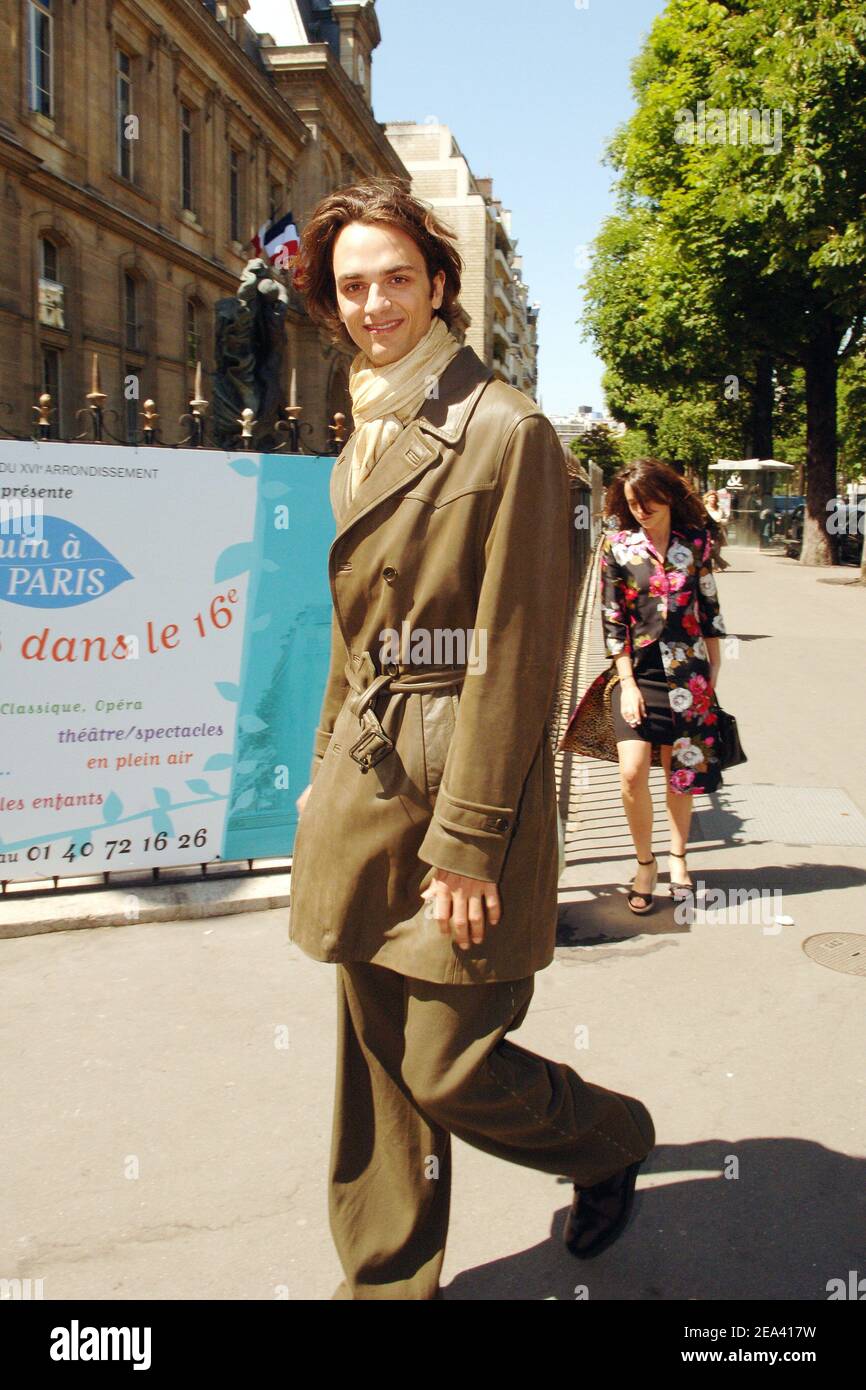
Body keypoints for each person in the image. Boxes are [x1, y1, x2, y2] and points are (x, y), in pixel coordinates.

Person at [287, 178, 655, 1300]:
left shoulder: (504, 429)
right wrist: (315, 777)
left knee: (444, 1064)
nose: (374, 302)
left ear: (440, 285)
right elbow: (357, 638)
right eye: (352, 285)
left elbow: (513, 652)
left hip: (459, 781)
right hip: (367, 773)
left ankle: (606, 1139)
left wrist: (469, 841)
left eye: (396, 277)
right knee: (372, 1063)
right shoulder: (364, 424)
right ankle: (388, 1279)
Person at [601, 460, 727, 913]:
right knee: (632, 771)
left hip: (689, 672)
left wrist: (714, 669)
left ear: (668, 496)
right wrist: (627, 682)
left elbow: (709, 607)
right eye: (632, 504)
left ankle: (677, 857)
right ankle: (644, 862)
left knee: (681, 773)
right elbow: (612, 618)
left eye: (647, 502)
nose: (640, 511)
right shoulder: (617, 547)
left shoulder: (696, 544)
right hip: (639, 672)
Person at [703, 489, 730, 570]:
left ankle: (716, 566)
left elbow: (725, 519)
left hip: (718, 531)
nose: (713, 499)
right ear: (707, 498)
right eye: (711, 497)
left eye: (714, 498)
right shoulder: (704, 508)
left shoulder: (719, 509)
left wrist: (723, 521)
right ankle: (721, 563)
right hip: (708, 530)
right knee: (709, 548)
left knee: (717, 548)